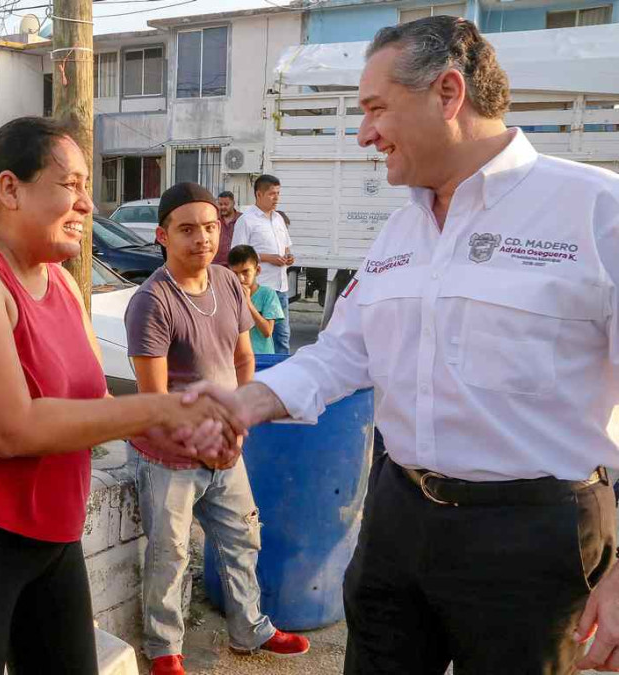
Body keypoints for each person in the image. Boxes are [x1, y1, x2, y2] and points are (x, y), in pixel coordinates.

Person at [175, 16, 619, 674]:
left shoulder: (595, 213)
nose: (363, 133)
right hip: (396, 518)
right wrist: (243, 403)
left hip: (534, 538)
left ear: (447, 93)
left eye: (375, 108)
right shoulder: (398, 233)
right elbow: (339, 355)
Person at [0, 117, 242, 675]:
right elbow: (12, 429)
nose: (87, 204)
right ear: (9, 189)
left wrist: (188, 427)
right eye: (71, 184)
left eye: (87, 187)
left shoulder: (59, 279)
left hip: (54, 534)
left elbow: (93, 406)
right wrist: (161, 406)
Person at [125, 182, 311, 675]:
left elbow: (244, 359)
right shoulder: (152, 302)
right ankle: (164, 646)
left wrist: (239, 423)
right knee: (171, 553)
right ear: (163, 235)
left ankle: (250, 628)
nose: (201, 239)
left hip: (227, 448)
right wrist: (205, 443)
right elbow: (155, 401)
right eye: (187, 229)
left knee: (243, 538)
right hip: (169, 454)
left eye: (210, 227)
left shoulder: (230, 283)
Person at [231, 175, 294, 354]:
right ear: (259, 194)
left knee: (282, 336)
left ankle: (282, 377)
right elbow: (237, 254)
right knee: (260, 336)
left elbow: (286, 247)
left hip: (280, 286)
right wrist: (267, 258)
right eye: (272, 194)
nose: (276, 198)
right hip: (261, 289)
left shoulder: (278, 219)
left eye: (278, 193)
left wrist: (289, 257)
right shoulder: (247, 220)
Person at [228, 245, 286, 355]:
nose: (240, 278)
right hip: (236, 358)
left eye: (245, 272)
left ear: (257, 270)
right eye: (235, 273)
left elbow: (267, 331)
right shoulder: (227, 295)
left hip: (261, 357)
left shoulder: (267, 294)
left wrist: (248, 303)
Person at [212, 190, 241, 266]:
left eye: (226, 204)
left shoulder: (242, 219)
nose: (223, 207)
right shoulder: (214, 219)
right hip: (216, 265)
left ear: (233, 203)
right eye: (220, 204)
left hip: (236, 265)